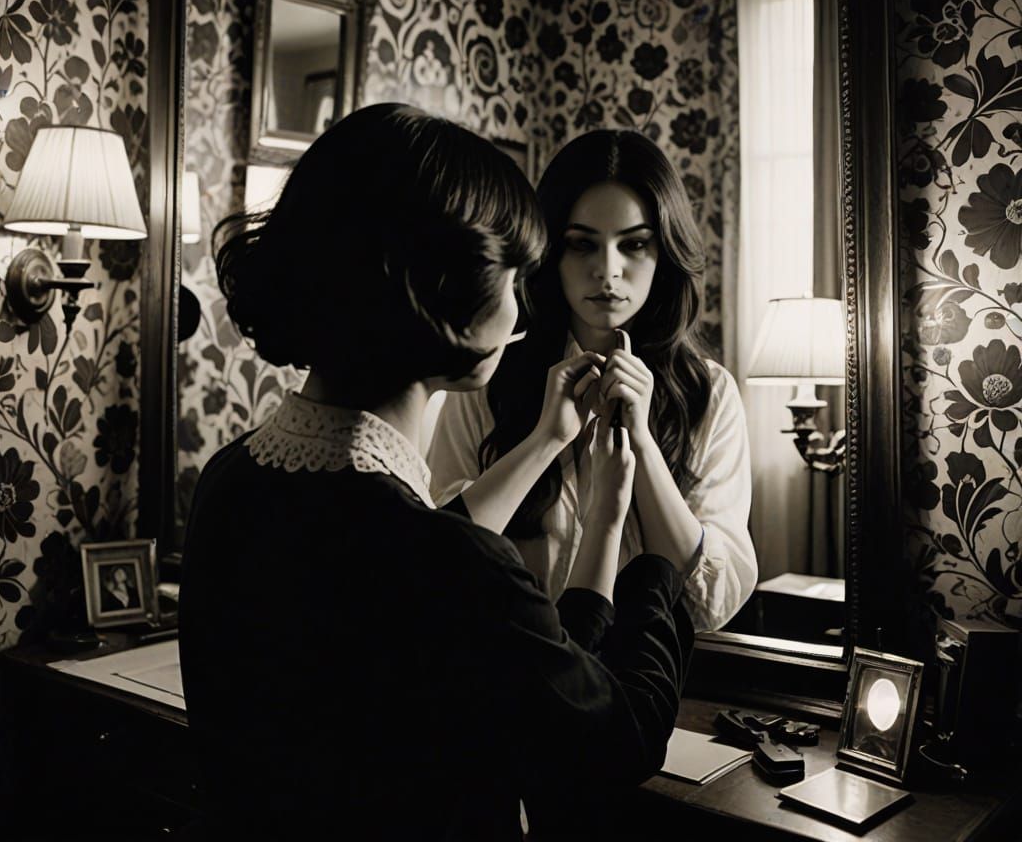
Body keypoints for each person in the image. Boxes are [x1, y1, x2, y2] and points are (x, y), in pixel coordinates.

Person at [178, 104, 696, 840]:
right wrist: (653, 572)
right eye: (513, 275)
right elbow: (617, 742)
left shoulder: (232, 480)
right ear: (440, 294)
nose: (524, 307)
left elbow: (485, 640)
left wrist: (555, 451)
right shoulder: (443, 561)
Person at [428, 129, 756, 633]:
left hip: (647, 695)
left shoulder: (708, 394)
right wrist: (544, 440)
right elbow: (440, 567)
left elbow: (712, 606)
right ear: (551, 251)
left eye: (635, 244)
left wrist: (643, 445)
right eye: (582, 244)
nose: (608, 271)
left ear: (663, 251)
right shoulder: (487, 380)